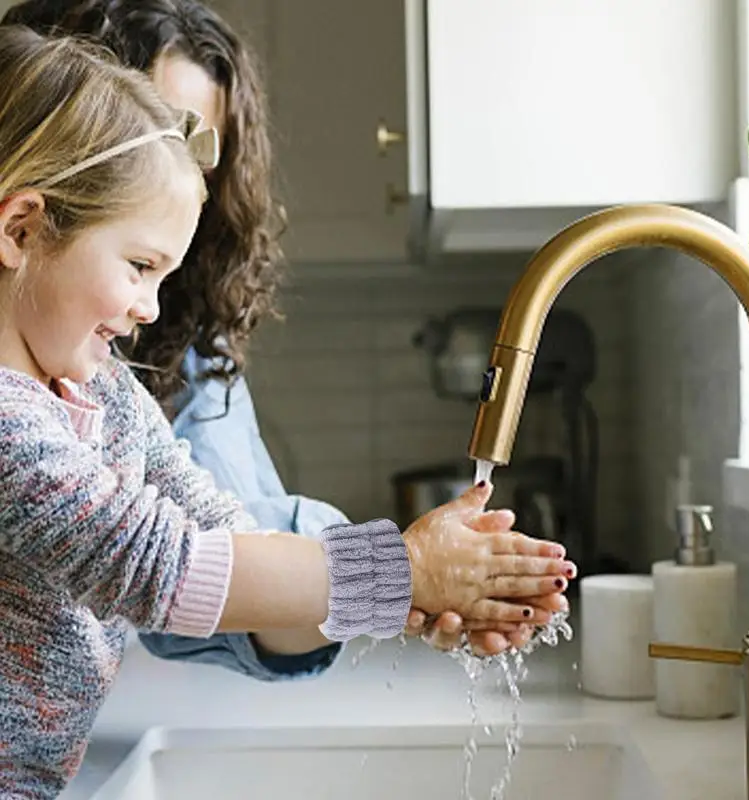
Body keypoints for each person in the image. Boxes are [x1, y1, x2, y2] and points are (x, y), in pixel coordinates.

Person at [0, 27, 576, 796]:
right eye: (139, 266)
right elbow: (156, 566)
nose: (148, 308)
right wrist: (406, 572)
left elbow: (226, 536)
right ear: (22, 228)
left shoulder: (98, 390)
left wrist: (409, 594)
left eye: (164, 277)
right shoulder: (9, 425)